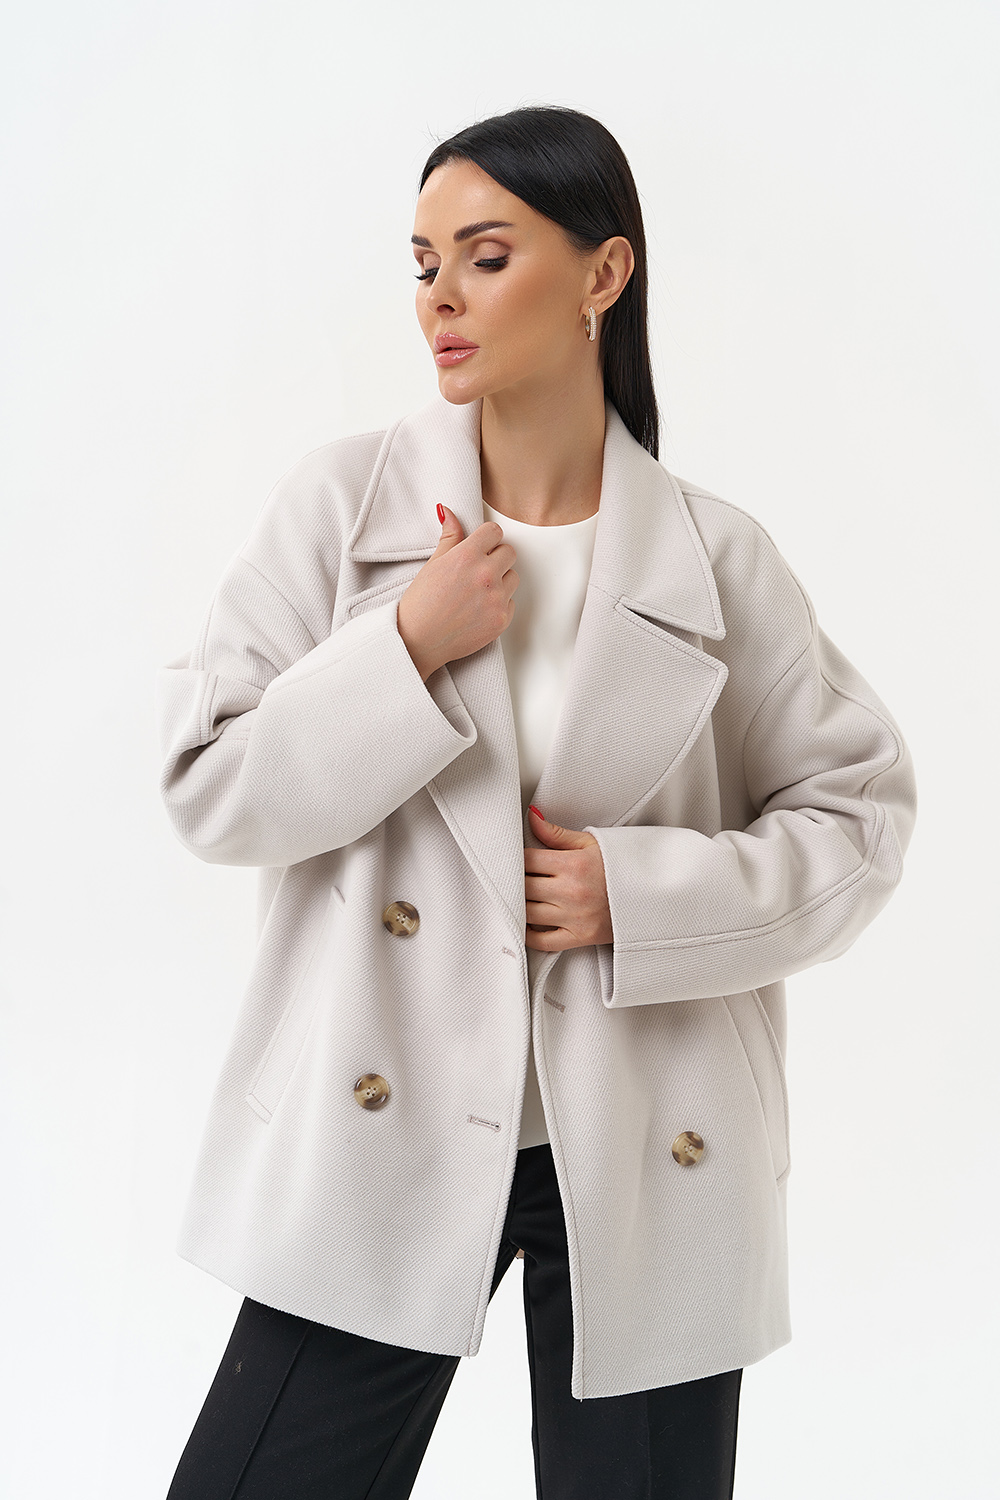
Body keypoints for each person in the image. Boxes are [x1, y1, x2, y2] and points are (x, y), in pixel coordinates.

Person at [156, 105, 917, 1499]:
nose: (439, 296)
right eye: (423, 261)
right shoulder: (343, 510)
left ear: (603, 274)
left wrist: (644, 896)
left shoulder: (717, 557)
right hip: (377, 1124)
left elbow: (860, 816)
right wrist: (404, 646)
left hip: (647, 1137)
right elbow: (211, 789)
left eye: (486, 255)